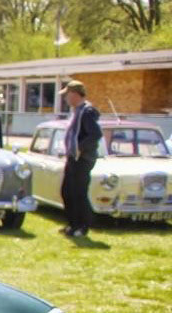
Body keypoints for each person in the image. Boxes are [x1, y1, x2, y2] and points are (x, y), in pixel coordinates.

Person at [59, 80, 101, 238]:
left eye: (67, 95)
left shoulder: (87, 112)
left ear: (75, 94)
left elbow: (95, 134)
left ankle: (83, 226)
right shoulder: (76, 111)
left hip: (82, 159)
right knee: (66, 191)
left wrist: (79, 147)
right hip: (72, 158)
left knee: (78, 192)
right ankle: (72, 224)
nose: (66, 99)